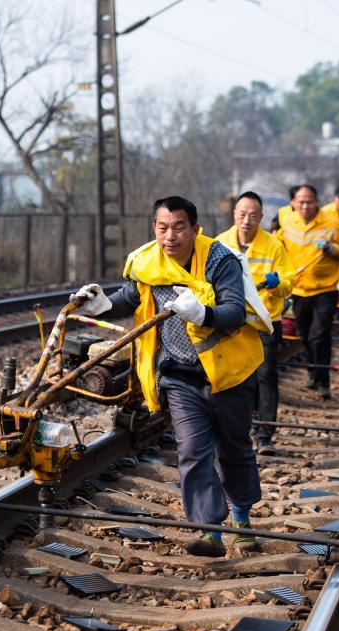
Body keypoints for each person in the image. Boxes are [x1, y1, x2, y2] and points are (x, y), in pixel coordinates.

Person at [73, 196, 264, 557]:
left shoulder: (220, 260)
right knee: (193, 450)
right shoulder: (147, 262)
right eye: (162, 228)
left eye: (178, 227)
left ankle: (242, 518)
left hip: (229, 375)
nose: (170, 236)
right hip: (180, 375)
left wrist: (204, 314)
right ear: (154, 229)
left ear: (195, 229)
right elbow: (131, 297)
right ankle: (209, 530)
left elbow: (235, 312)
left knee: (234, 448)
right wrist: (102, 303)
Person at [215, 191, 297, 457]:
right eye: (242, 214)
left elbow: (289, 283)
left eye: (252, 215)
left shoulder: (273, 246)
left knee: (265, 377)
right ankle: (237, 430)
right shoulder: (219, 244)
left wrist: (277, 285)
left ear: (261, 217)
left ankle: (265, 435)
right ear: (234, 215)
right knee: (233, 379)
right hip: (230, 326)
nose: (246, 220)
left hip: (263, 324)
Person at [277, 183, 339, 399]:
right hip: (298, 289)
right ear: (293, 203)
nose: (305, 206)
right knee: (305, 335)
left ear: (317, 202)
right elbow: (278, 247)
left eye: (310, 201)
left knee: (320, 335)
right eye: (301, 202)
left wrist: (332, 249)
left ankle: (323, 382)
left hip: (325, 289)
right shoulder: (287, 222)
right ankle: (313, 373)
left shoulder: (331, 223)